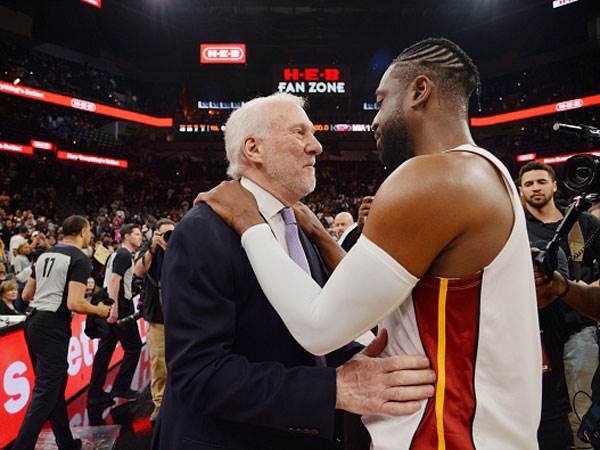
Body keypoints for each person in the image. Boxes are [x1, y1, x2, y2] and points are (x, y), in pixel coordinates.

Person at [197, 37, 542, 449]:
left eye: (380, 101)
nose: (375, 120)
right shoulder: (488, 171)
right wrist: (323, 236)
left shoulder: (431, 179)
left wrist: (247, 221)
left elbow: (319, 327)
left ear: (418, 91)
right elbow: (377, 301)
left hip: (445, 435)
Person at [156, 92, 436, 450]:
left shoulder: (299, 227)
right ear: (253, 149)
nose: (316, 146)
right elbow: (199, 374)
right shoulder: (202, 231)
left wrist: (355, 358)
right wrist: (335, 388)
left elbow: (304, 337)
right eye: (299, 133)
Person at [12, 215, 111, 450]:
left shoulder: (44, 254)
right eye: (89, 230)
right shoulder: (79, 258)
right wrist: (100, 310)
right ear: (83, 231)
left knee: (54, 387)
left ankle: (65, 442)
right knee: (46, 392)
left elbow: (26, 295)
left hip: (34, 322)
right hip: (52, 326)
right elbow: (75, 303)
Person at [519, 161, 600, 446]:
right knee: (541, 415)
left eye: (541, 181)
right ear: (521, 191)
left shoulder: (583, 222)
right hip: (535, 334)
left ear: (554, 185)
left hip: (580, 328)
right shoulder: (514, 229)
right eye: (528, 184)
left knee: (583, 407)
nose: (535, 188)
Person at [88, 223, 143, 406]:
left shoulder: (116, 253)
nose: (140, 237)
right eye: (136, 234)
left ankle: (95, 393)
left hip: (110, 300)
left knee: (105, 350)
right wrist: (115, 308)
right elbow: (114, 280)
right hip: (119, 304)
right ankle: (120, 386)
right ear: (127, 236)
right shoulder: (124, 255)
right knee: (134, 347)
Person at [133, 218, 175, 424]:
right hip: (158, 318)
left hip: (180, 318)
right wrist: (153, 248)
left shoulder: (181, 250)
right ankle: (159, 404)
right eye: (164, 234)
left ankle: (181, 403)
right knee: (159, 363)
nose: (168, 237)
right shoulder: (150, 253)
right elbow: (138, 271)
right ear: (155, 235)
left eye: (172, 233)